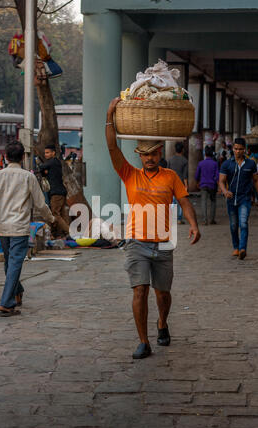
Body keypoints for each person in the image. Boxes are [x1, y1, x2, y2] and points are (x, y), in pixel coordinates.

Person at [106, 98, 201, 360]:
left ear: (161, 154)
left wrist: (193, 225)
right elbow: (112, 148)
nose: (150, 158)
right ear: (140, 156)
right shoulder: (129, 174)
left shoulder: (170, 177)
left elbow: (183, 200)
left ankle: (162, 322)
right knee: (140, 290)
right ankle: (143, 341)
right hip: (136, 241)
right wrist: (109, 116)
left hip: (164, 242)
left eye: (154, 154)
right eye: (145, 154)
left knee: (163, 294)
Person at [0, 140, 55, 317]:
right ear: (22, 157)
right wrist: (50, 218)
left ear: (5, 157)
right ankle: (6, 303)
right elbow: (40, 203)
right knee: (13, 264)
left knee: (10, 263)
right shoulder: (28, 177)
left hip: (3, 228)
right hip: (20, 228)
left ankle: (17, 291)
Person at [219, 138, 258, 260]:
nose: (238, 151)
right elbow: (221, 182)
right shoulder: (227, 164)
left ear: (244, 150)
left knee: (243, 223)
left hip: (245, 198)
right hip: (231, 198)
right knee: (234, 225)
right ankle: (236, 247)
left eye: (240, 149)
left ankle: (243, 248)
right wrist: (225, 191)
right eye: (235, 149)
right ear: (232, 149)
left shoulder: (251, 164)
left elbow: (256, 181)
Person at [39, 144, 70, 238]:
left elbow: (41, 167)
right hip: (60, 191)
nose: (46, 154)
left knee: (55, 214)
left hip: (57, 192)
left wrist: (42, 167)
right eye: (45, 153)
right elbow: (43, 171)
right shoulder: (53, 164)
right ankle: (59, 234)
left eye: (48, 152)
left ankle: (69, 232)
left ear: (53, 153)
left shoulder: (53, 161)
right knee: (62, 214)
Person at [195, 145, 219, 225]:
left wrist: (197, 182)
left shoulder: (201, 163)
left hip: (203, 184)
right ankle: (212, 219)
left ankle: (205, 220)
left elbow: (197, 175)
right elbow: (217, 176)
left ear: (205, 154)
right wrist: (218, 185)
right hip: (212, 185)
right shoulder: (215, 163)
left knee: (203, 202)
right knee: (213, 201)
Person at [167, 142, 188, 224]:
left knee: (172, 201)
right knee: (180, 202)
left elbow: (167, 172)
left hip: (171, 183)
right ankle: (179, 219)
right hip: (180, 184)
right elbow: (185, 175)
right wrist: (186, 185)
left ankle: (171, 218)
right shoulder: (184, 160)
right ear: (182, 150)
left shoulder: (170, 160)